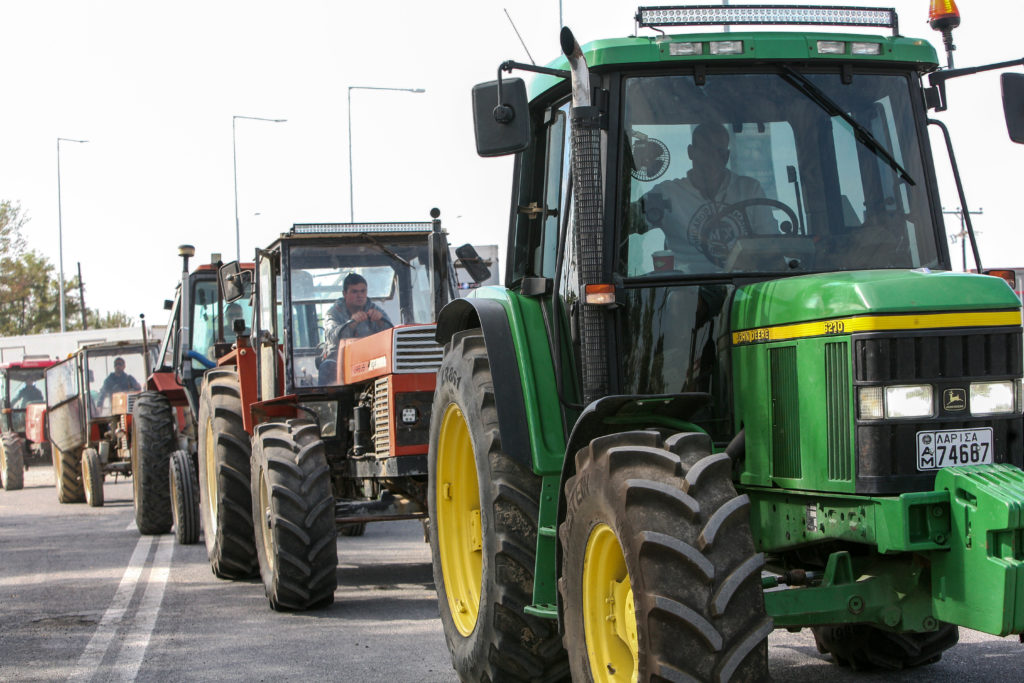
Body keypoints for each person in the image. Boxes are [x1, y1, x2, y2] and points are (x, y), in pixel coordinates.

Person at [641, 122, 777, 267]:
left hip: (742, 284)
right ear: (690, 152)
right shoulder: (667, 195)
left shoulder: (749, 190)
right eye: (706, 150)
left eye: (719, 152)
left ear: (726, 156)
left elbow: (772, 245)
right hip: (686, 286)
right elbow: (626, 222)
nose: (713, 158)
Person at [318, 273, 393, 385]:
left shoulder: (375, 310)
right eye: (354, 291)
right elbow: (332, 337)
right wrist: (351, 324)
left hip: (370, 361)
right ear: (344, 294)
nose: (360, 295)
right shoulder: (333, 313)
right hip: (339, 361)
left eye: (363, 291)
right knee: (327, 366)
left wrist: (381, 322)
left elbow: (392, 336)